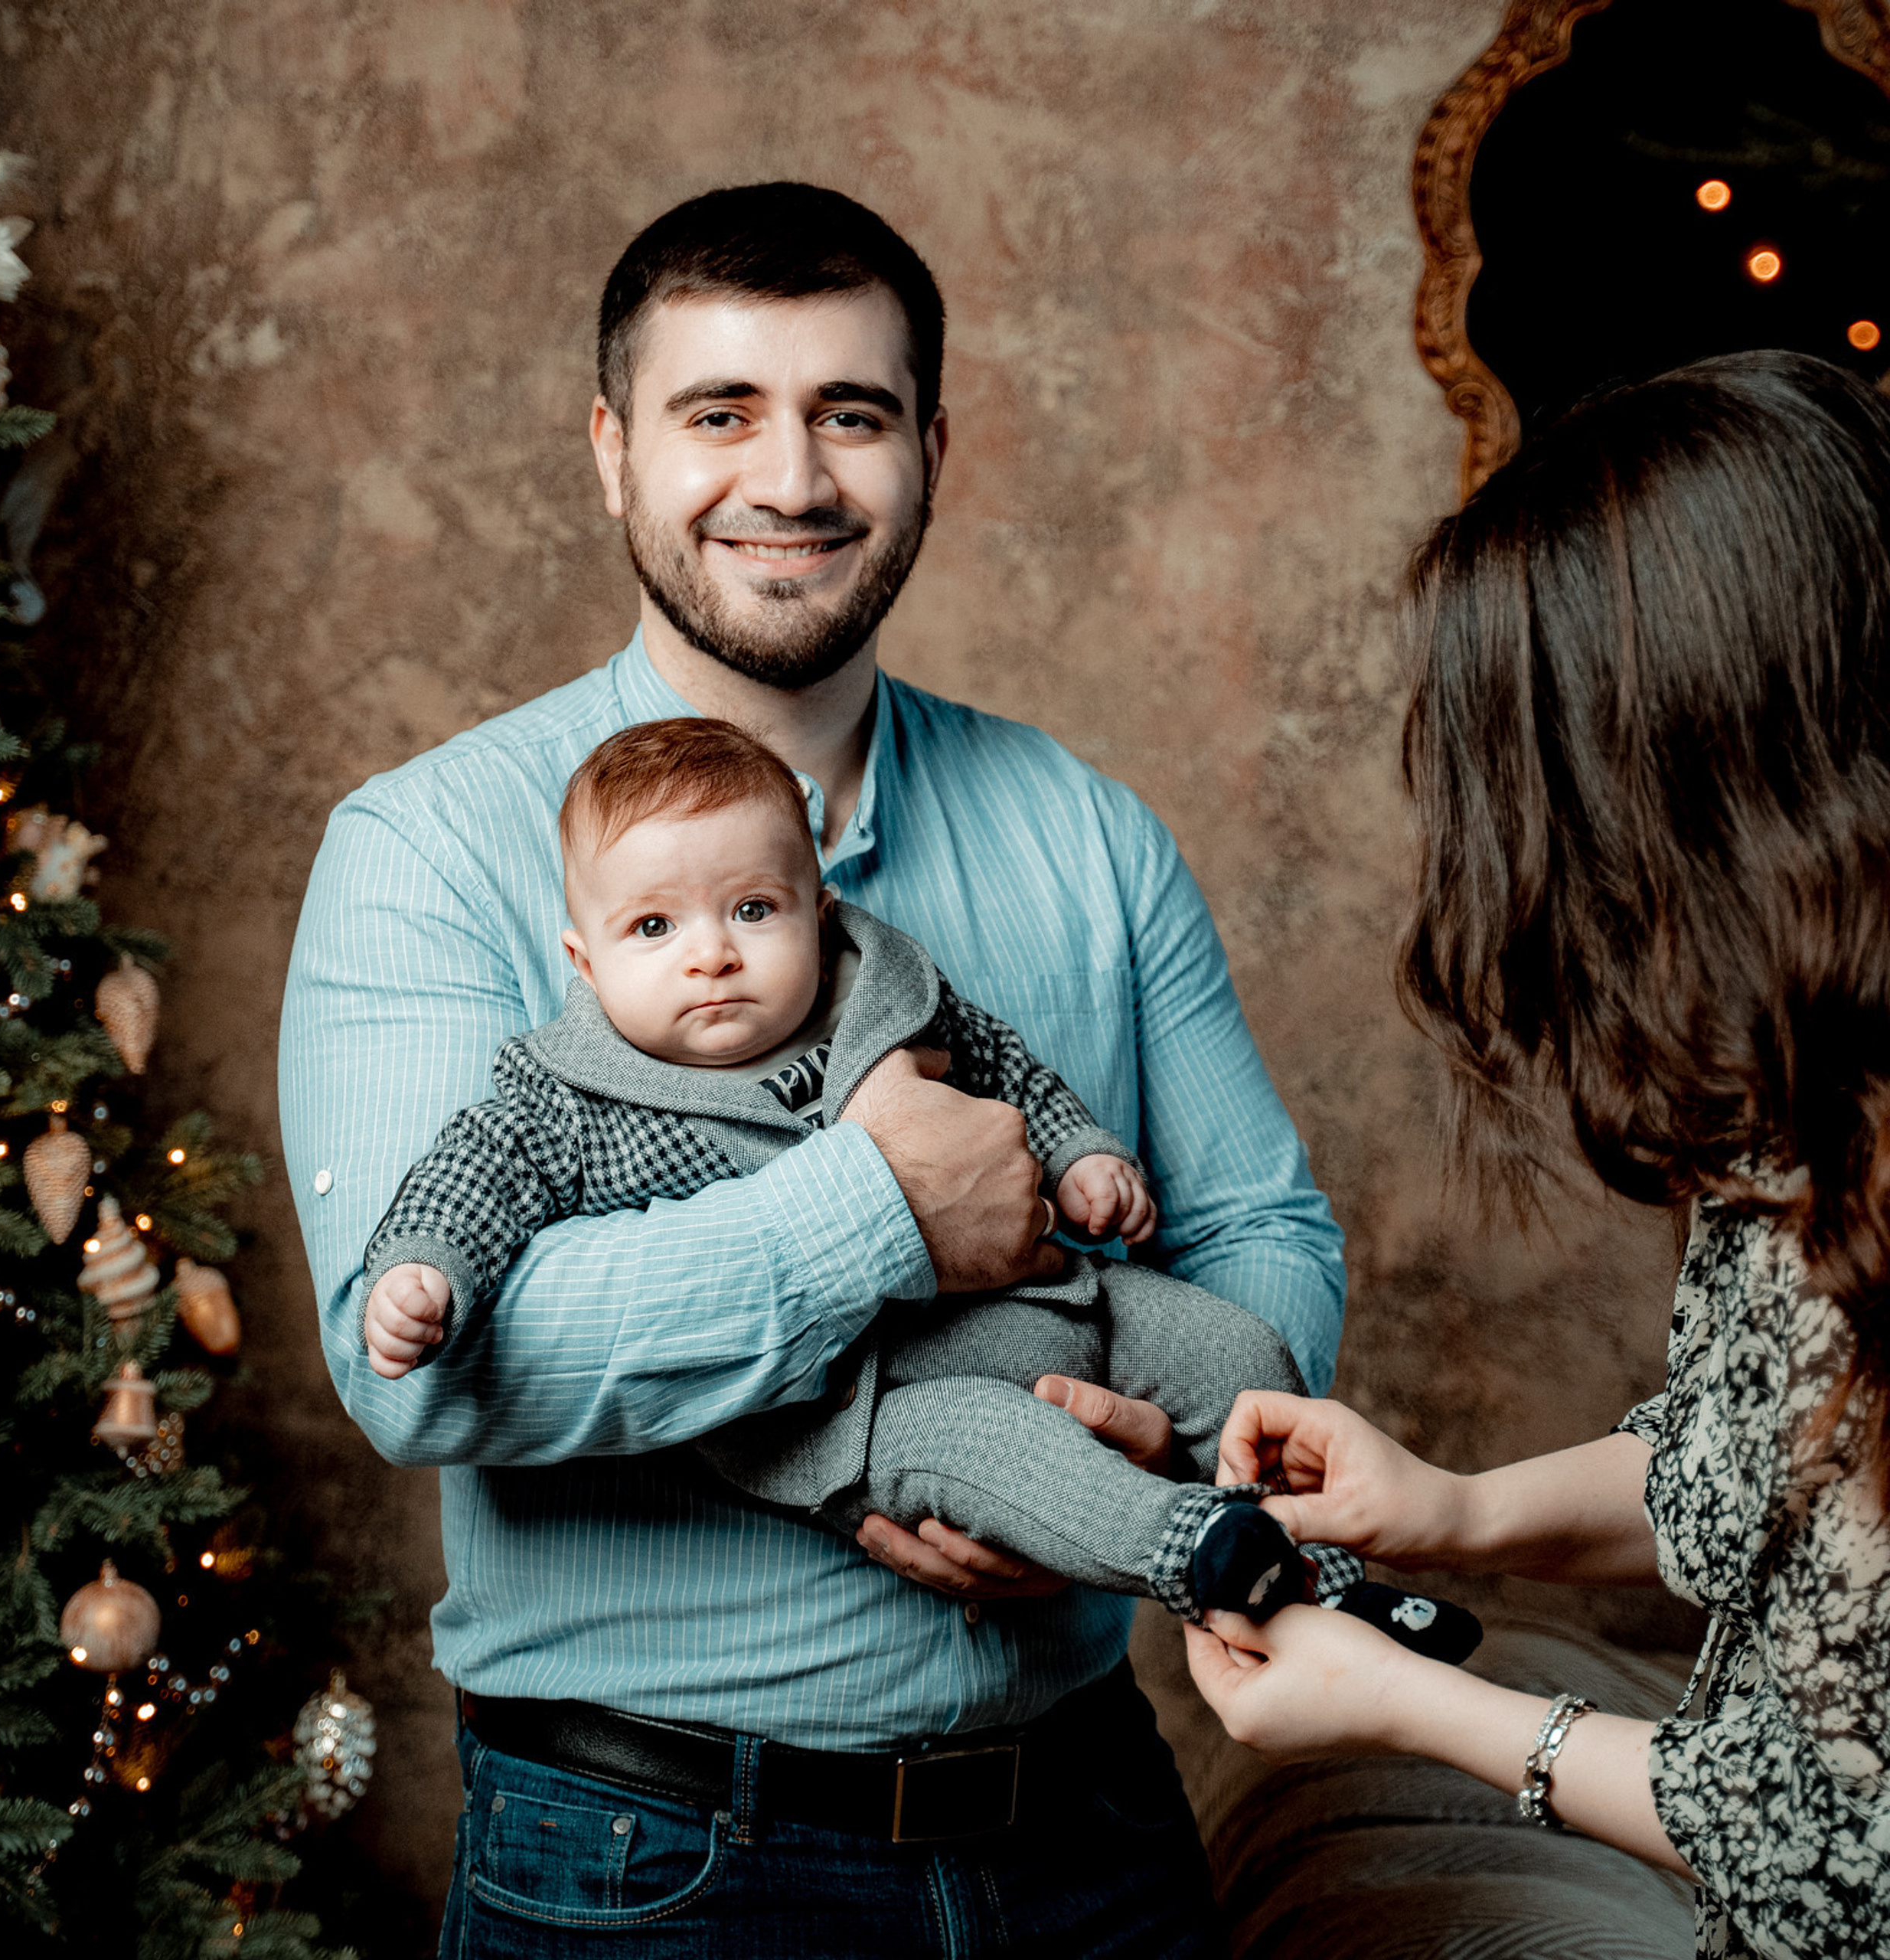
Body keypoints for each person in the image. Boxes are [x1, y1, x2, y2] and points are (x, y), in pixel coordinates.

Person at [280, 181, 1345, 1955]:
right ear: (611, 452)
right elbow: (420, 1376)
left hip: (1085, 1833)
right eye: (719, 414)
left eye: (848, 413)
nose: (789, 481)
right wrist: (877, 1213)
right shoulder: (428, 849)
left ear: (929, 448)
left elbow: (1262, 1229)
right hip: (647, 1863)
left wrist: (1134, 1446)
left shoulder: (1085, 832)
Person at [1184, 350, 1890, 1960]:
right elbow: (1750, 1456)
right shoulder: (1806, 1103)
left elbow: (1832, 1846)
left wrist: (1419, 1705)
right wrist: (1445, 1507)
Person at [357, 716, 1470, 1655]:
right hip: (876, 1409)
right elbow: (476, 1178)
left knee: (1242, 1356)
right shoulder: (572, 1098)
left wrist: (1082, 1154)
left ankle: (1336, 1581)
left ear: (817, 908)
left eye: (753, 910)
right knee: (1012, 1461)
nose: (712, 954)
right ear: (586, 963)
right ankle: (1204, 1556)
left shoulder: (886, 997)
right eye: (654, 927)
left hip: (1061, 1307)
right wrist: (425, 1267)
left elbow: (1010, 1071)